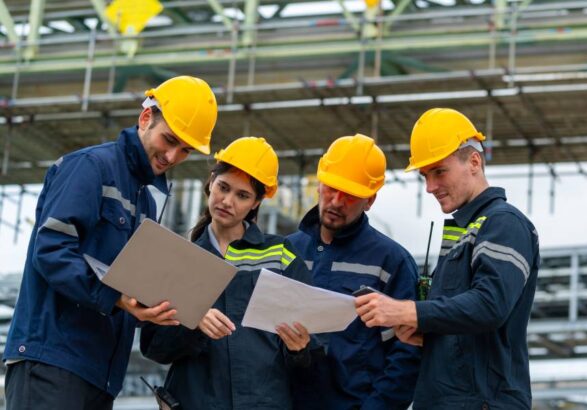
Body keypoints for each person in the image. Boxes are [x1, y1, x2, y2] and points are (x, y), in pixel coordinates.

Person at [2, 76, 218, 409]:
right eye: (170, 140)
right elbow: (51, 253)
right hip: (53, 362)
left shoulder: (144, 200)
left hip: (99, 375)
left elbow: (130, 282)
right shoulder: (89, 168)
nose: (173, 156)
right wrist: (116, 296)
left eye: (185, 150)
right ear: (146, 119)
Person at [354, 108, 540, 409]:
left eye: (439, 171)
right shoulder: (464, 233)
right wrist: (428, 336)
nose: (430, 187)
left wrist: (408, 312)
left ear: (474, 162)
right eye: (426, 176)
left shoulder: (504, 223)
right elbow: (468, 325)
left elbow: (490, 305)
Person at [140, 137, 314, 409]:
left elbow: (314, 346)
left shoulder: (280, 255)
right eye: (223, 188)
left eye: (242, 195)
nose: (227, 201)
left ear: (256, 203)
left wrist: (300, 349)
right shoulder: (180, 259)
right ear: (211, 181)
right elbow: (155, 348)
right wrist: (192, 318)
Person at [288, 134, 420, 410]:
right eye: (331, 188)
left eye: (350, 195)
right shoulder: (287, 250)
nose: (336, 201)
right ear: (320, 183)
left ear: (370, 200)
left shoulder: (390, 262)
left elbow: (406, 354)